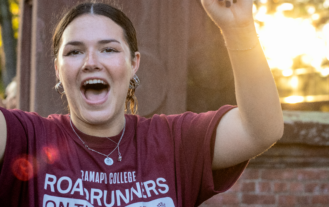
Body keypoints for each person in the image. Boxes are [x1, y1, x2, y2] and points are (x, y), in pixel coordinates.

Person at [0, 1, 283, 206]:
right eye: (74, 52)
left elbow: (259, 129)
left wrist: (240, 27)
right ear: (57, 69)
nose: (91, 63)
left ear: (133, 63)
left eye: (108, 49)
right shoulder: (26, 138)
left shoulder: (173, 143)